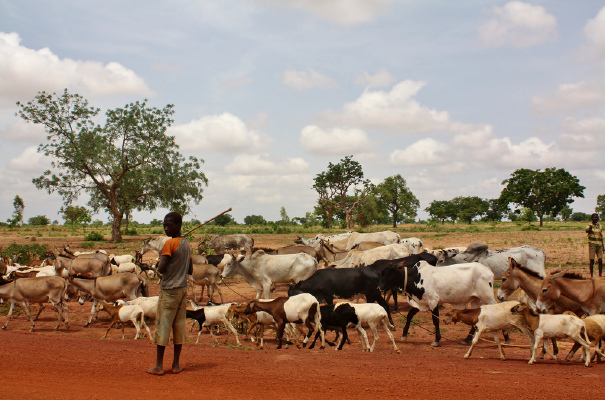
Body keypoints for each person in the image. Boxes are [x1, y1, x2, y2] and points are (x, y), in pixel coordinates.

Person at [147, 211, 192, 375]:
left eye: (169, 225)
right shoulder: (187, 244)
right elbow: (191, 269)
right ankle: (175, 365)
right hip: (182, 289)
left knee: (163, 326)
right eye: (164, 225)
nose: (166, 228)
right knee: (179, 327)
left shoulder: (169, 245)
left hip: (169, 290)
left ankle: (159, 366)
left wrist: (161, 257)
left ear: (178, 226)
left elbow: (161, 269)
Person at [586, 213, 603, 278]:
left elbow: (601, 237)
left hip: (599, 245)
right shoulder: (589, 225)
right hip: (592, 245)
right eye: (594, 217)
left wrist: (603, 247)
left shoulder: (600, 226)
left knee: (600, 260)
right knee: (592, 260)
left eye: (596, 217)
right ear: (592, 218)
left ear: (598, 218)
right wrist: (590, 229)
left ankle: (600, 275)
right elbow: (587, 231)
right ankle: (592, 276)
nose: (595, 219)